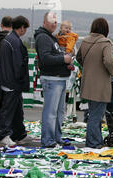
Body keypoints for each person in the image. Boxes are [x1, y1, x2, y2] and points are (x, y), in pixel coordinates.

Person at [35, 12, 73, 148]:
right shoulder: (44, 38)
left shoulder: (51, 38)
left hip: (59, 79)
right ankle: (48, 140)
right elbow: (45, 58)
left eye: (56, 22)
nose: (54, 24)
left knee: (58, 112)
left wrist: (66, 60)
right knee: (51, 112)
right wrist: (63, 59)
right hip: (52, 80)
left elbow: (51, 56)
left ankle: (56, 137)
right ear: (44, 22)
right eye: (52, 21)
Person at [76, 18, 113, 149]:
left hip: (87, 83)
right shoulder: (105, 43)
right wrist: (112, 72)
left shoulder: (85, 41)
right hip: (101, 84)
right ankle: (94, 143)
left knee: (92, 113)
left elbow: (78, 58)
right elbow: (108, 61)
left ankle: (94, 140)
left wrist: (88, 68)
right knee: (96, 115)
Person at [0, 16, 31, 147]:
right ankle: (4, 135)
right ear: (21, 28)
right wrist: (20, 80)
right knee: (8, 109)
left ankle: (18, 134)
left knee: (16, 110)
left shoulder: (10, 40)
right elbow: (18, 64)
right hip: (12, 82)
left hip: (8, 80)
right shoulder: (14, 42)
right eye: (25, 28)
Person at [0, 16, 13, 138]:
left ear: (1, 25)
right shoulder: (10, 40)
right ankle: (5, 132)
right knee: (8, 107)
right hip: (7, 77)